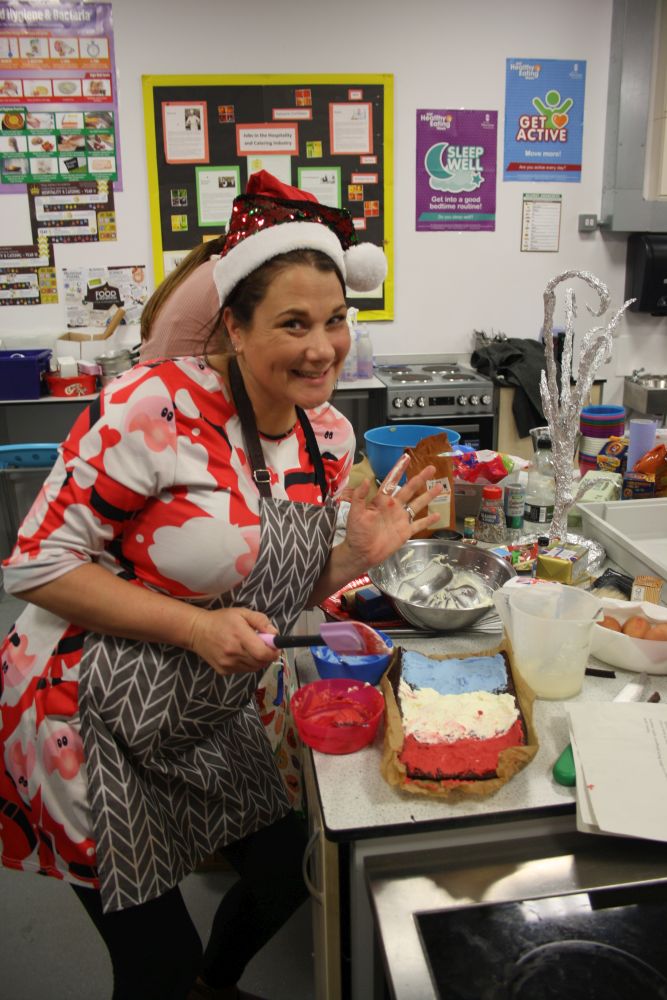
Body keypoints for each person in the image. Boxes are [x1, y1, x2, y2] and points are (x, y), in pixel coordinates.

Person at [0, 171, 442, 1000]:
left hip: (203, 704)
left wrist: (356, 557)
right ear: (234, 327)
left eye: (336, 319)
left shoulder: (327, 437)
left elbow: (278, 583)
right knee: (156, 963)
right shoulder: (151, 406)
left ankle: (215, 985)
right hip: (87, 706)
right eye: (293, 323)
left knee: (284, 871)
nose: (322, 347)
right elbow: (37, 563)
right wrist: (197, 628)